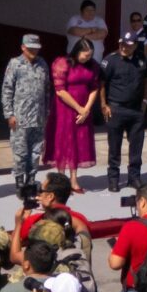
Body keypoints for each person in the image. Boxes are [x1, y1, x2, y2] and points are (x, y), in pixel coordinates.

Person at [48, 41, 101, 192]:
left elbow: (94, 88)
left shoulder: (93, 65)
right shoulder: (62, 63)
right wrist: (79, 108)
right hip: (65, 108)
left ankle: (73, 179)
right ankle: (60, 180)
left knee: (78, 142)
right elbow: (60, 90)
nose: (87, 58)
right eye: (85, 55)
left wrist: (86, 109)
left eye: (90, 55)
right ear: (77, 51)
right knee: (63, 141)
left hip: (83, 109)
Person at [0, 35, 50, 198]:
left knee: (36, 151)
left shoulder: (42, 64)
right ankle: (20, 183)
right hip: (20, 118)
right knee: (20, 152)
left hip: (38, 117)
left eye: (36, 48)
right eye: (30, 48)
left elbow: (47, 90)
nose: (33, 51)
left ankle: (31, 180)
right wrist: (9, 114)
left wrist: (47, 113)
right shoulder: (15, 64)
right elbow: (7, 90)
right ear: (23, 47)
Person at [100, 33, 147, 190]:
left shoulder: (142, 59)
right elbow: (101, 83)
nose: (124, 47)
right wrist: (104, 104)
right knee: (114, 147)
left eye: (128, 45)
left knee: (136, 147)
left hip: (136, 110)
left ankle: (134, 177)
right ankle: (113, 178)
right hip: (116, 108)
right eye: (122, 44)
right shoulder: (110, 60)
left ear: (135, 45)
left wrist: (145, 100)